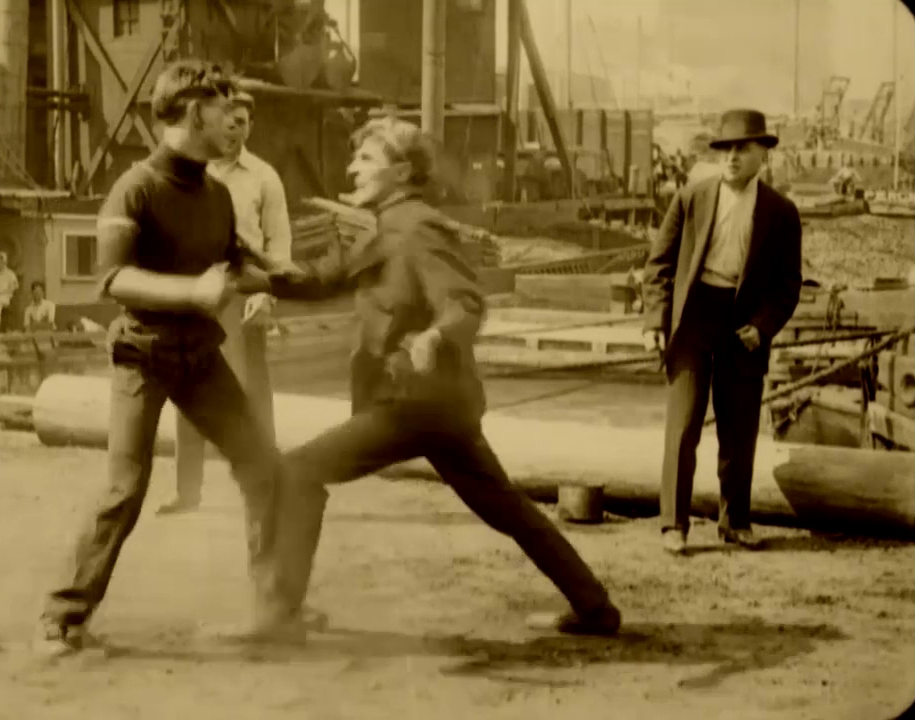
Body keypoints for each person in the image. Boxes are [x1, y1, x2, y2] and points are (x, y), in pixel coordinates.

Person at [265, 117, 623, 636]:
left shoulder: (417, 229)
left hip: (412, 401)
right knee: (509, 509)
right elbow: (323, 278)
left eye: (366, 159)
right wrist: (255, 277)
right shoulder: (384, 227)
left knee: (298, 472)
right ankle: (596, 609)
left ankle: (281, 613)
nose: (351, 168)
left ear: (402, 172)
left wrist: (436, 335)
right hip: (440, 407)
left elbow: (465, 301)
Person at [35, 60, 319, 657]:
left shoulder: (216, 193)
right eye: (223, 109)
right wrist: (192, 293)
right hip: (143, 354)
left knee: (263, 467)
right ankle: (62, 616)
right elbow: (112, 279)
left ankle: (272, 604)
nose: (234, 121)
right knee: (126, 488)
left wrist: (294, 278)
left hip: (200, 356)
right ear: (194, 113)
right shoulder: (135, 188)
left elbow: (238, 263)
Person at [641, 109, 802, 555]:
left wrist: (763, 327)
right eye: (725, 149)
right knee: (684, 424)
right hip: (693, 319)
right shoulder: (691, 197)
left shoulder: (781, 212)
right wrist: (655, 323)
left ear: (763, 154)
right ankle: (674, 524)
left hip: (743, 325)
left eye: (742, 149)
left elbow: (788, 284)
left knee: (739, 429)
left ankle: (735, 522)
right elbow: (658, 266)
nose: (732, 157)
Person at [161, 90, 298, 515]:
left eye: (242, 121)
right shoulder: (189, 172)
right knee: (188, 387)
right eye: (228, 120)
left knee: (252, 394)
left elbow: (279, 245)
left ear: (251, 126)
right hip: (195, 292)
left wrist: (266, 295)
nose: (234, 128)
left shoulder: (264, 178)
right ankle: (188, 491)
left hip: (244, 294)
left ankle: (267, 488)